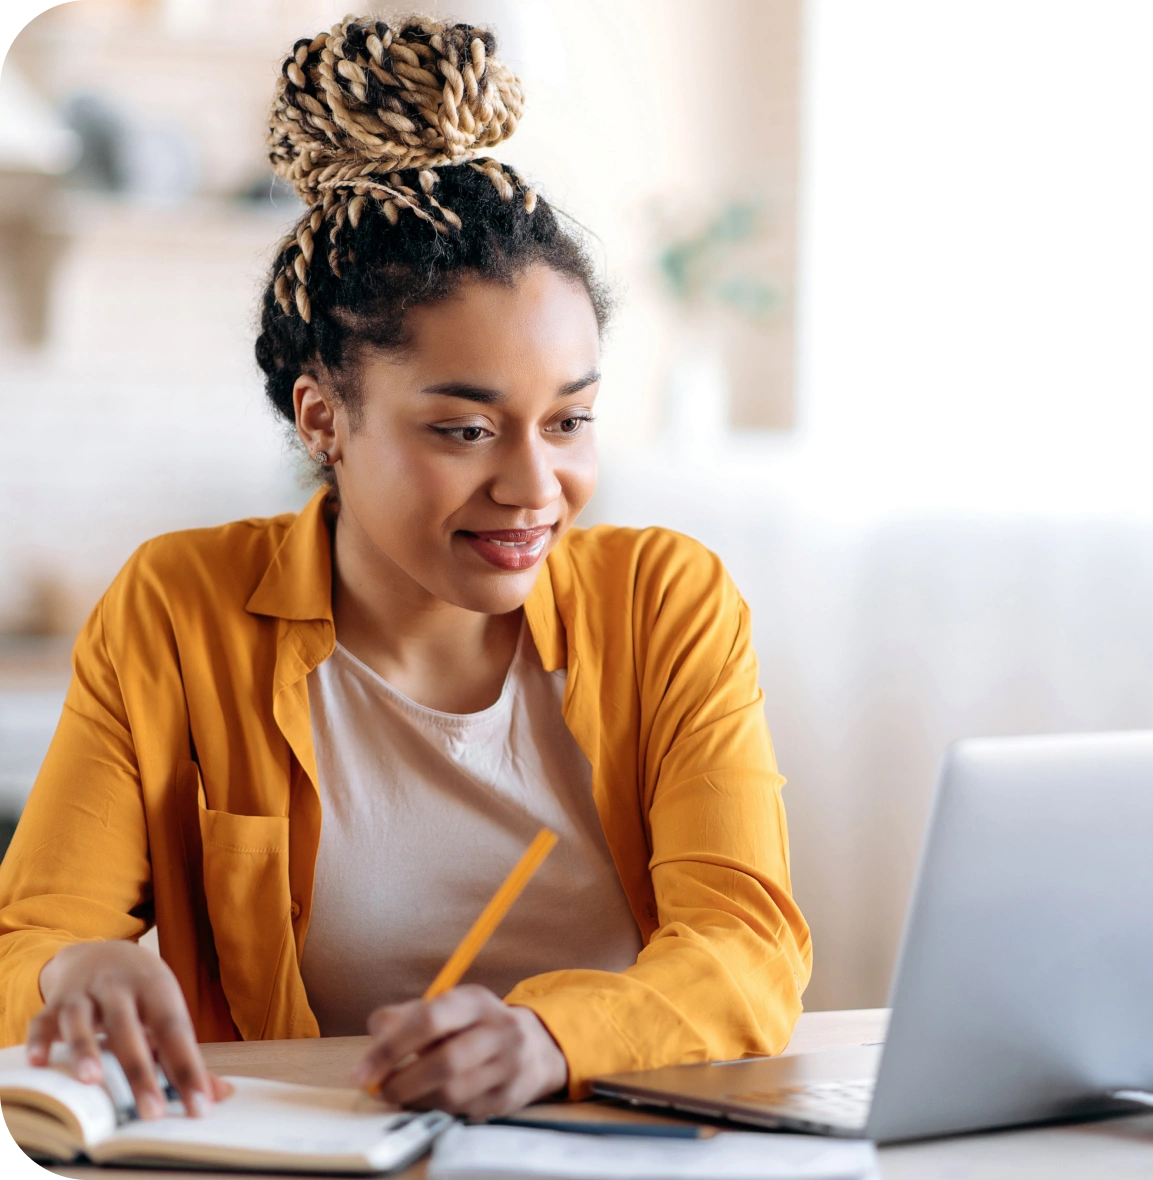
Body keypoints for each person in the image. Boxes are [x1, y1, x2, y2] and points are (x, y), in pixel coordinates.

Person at [0, 14, 810, 1122]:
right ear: (324, 417)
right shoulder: (178, 608)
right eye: (465, 430)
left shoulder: (667, 601)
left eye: (569, 421)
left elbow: (749, 943)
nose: (535, 486)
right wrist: (71, 972)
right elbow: (34, 930)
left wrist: (545, 1038)